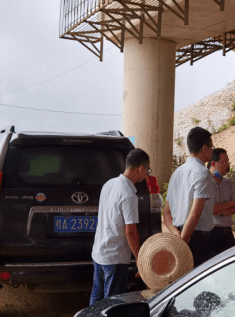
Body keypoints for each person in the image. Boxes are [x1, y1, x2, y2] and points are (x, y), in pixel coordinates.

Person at [90, 148, 151, 305]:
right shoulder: (129, 194)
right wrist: (140, 259)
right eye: (147, 170)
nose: (147, 174)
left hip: (99, 253)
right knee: (112, 306)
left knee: (96, 299)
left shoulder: (109, 184)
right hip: (115, 259)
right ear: (140, 168)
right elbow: (131, 231)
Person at [163, 127, 215, 267]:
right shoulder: (203, 173)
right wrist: (184, 241)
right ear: (204, 148)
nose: (212, 150)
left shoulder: (176, 173)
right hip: (196, 238)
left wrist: (176, 233)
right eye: (211, 147)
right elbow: (194, 214)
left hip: (179, 233)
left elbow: (166, 213)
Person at [207, 148, 235, 256]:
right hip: (211, 233)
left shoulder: (228, 183)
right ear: (213, 163)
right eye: (224, 162)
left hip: (227, 233)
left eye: (228, 162)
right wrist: (231, 204)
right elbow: (210, 209)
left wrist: (221, 211)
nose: (227, 165)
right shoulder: (205, 183)